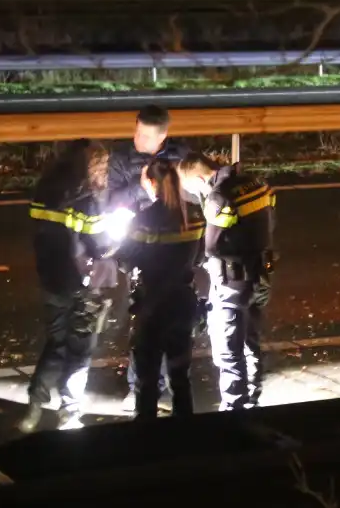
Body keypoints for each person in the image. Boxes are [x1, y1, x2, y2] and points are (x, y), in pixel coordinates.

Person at [18, 139, 113, 433]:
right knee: (79, 350)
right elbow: (99, 246)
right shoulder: (86, 196)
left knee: (55, 343)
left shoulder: (46, 187)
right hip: (80, 283)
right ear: (92, 166)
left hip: (50, 277)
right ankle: (69, 413)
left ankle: (33, 408)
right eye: (103, 166)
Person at [105, 105, 191, 412]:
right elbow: (111, 201)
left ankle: (164, 392)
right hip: (144, 251)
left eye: (144, 134)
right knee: (144, 325)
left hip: (174, 253)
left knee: (164, 329)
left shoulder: (181, 155)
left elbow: (190, 197)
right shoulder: (121, 158)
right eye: (136, 130)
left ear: (163, 136)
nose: (136, 138)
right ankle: (141, 387)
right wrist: (140, 190)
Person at [177, 152, 276, 410]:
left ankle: (234, 407)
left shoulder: (218, 197)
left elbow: (210, 247)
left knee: (228, 348)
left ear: (198, 177)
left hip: (232, 282)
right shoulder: (256, 183)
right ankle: (253, 395)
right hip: (260, 274)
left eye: (189, 187)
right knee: (250, 339)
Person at [113, 157, 204, 419]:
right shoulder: (194, 216)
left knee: (148, 378)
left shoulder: (144, 220)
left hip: (152, 305)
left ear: (152, 184)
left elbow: (125, 261)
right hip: (183, 302)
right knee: (180, 376)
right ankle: (184, 434)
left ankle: (146, 438)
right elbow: (198, 258)